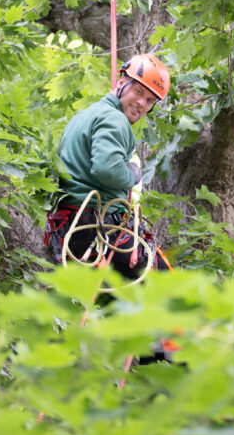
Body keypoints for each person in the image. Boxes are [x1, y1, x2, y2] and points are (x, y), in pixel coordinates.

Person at [43, 53, 173, 278]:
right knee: (168, 284)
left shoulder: (85, 115)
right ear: (122, 82)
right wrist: (131, 175)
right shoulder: (115, 118)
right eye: (139, 91)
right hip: (98, 230)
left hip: (70, 230)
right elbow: (107, 169)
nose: (141, 103)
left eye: (150, 100)